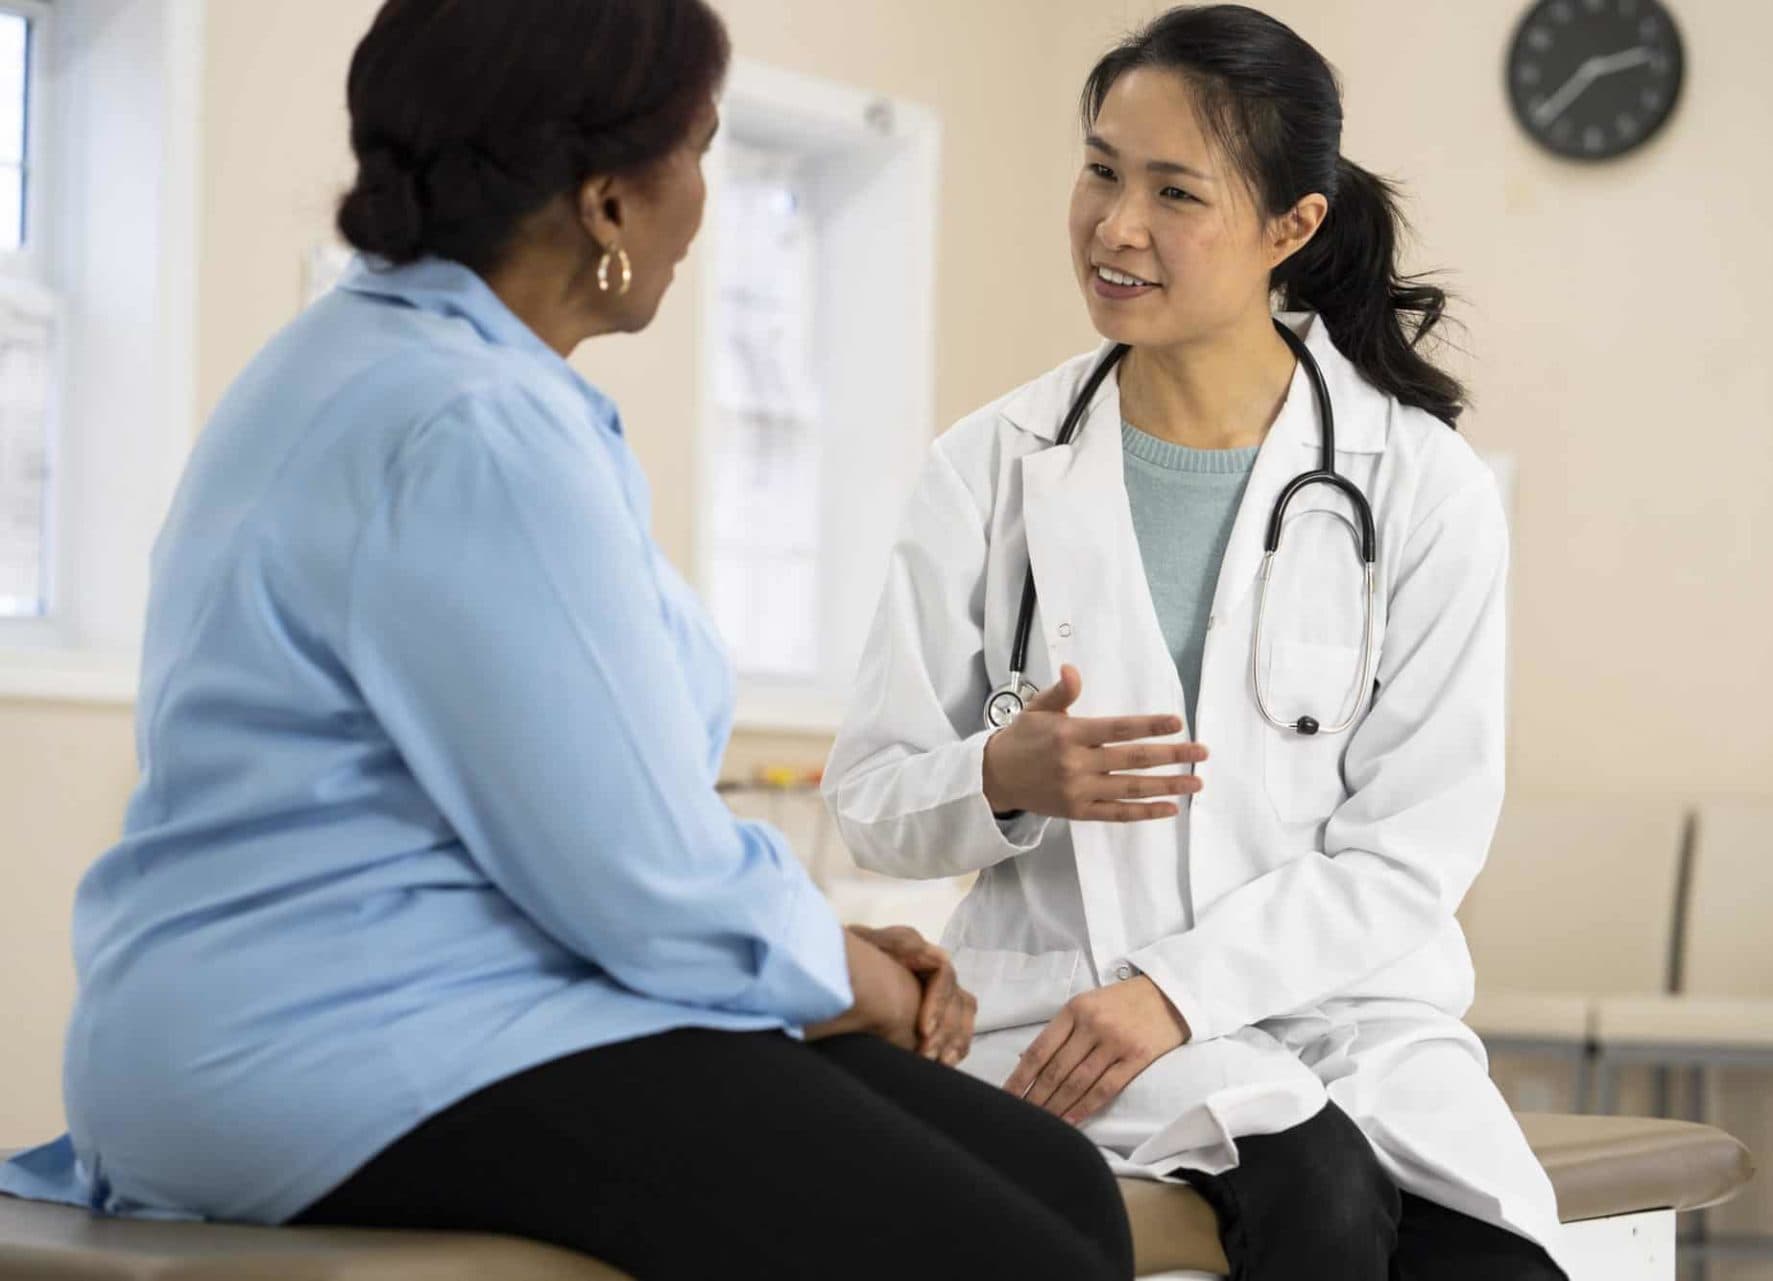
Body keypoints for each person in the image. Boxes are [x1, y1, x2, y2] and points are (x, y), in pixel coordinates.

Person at [0, 2, 1133, 1277]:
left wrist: (823, 955)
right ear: (606, 201)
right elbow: (638, 880)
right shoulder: (473, 428)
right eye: (699, 150)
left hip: (378, 1011)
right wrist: (855, 979)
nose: (702, 205)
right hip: (337, 1050)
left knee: (1055, 1181)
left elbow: (588, 835)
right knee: (1020, 1256)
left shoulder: (365, 363)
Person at [824, 6, 1569, 1278]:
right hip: (1073, 1014)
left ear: (1293, 227)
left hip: (1349, 1022)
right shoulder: (987, 472)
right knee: (1317, 1200)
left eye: (1176, 192)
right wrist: (999, 778)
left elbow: (1411, 849)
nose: (1117, 226)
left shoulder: (1419, 485)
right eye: (1102, 169)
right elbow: (873, 806)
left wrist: (1180, 987)